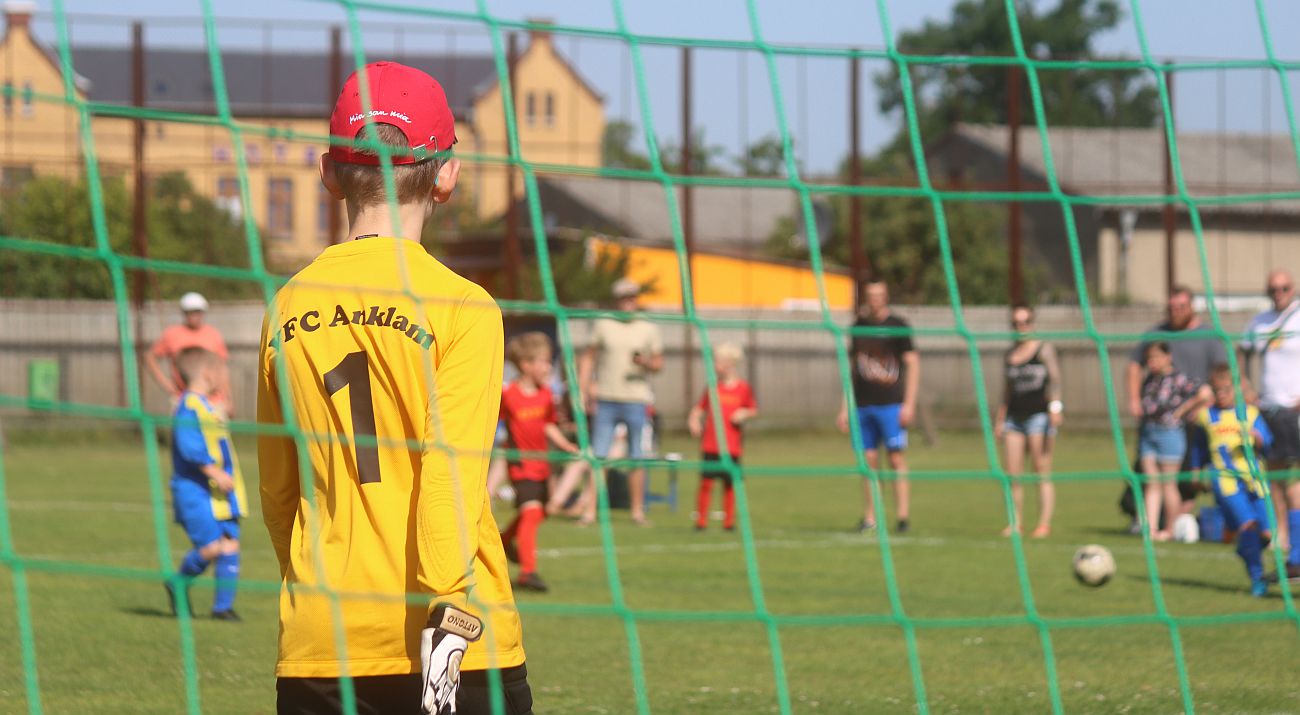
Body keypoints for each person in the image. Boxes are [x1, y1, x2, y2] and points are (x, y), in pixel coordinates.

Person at [257, 62, 532, 714]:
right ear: (446, 176)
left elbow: (277, 488)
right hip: (454, 637)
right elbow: (450, 473)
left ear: (328, 173)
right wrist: (448, 615)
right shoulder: (463, 305)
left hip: (322, 634)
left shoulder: (286, 305)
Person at [165, 346, 246, 621]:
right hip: (196, 491)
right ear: (209, 373)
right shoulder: (188, 406)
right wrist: (215, 472)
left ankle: (222, 608)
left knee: (230, 543)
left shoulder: (208, 406)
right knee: (211, 547)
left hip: (222, 492)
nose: (225, 376)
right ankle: (178, 582)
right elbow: (189, 447)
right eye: (223, 370)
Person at [577, 278, 663, 526]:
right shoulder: (603, 324)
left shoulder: (648, 327)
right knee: (599, 456)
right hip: (606, 399)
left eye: (632, 297)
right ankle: (590, 511)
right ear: (616, 300)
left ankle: (637, 511)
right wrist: (585, 390)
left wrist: (645, 363)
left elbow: (658, 363)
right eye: (624, 298)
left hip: (636, 400)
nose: (629, 302)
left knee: (637, 456)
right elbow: (588, 358)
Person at [498, 332, 579, 593]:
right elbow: (492, 422)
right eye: (543, 362)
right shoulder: (508, 393)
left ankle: (504, 539)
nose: (548, 368)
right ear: (526, 364)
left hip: (543, 465)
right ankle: (528, 573)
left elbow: (548, 425)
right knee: (532, 512)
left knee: (541, 512)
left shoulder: (546, 395)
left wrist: (566, 445)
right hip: (520, 465)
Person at [836, 280, 919, 534]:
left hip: (891, 405)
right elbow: (851, 370)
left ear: (886, 297)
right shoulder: (857, 328)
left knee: (895, 459)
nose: (875, 300)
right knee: (868, 461)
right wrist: (844, 407)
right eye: (870, 295)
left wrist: (909, 403)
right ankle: (871, 517)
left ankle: (902, 517)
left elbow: (913, 364)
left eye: (879, 295)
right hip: (862, 406)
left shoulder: (898, 326)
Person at [1241, 269, 1300, 583]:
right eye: (1273, 288)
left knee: (1293, 482)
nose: (1278, 292)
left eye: (1284, 288)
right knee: (1275, 479)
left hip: (1294, 411)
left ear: (1293, 289)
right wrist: (1246, 388)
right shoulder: (1260, 322)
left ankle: (1298, 556)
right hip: (1268, 410)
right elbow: (1240, 352)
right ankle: (1287, 543)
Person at [1196, 364, 1274, 597]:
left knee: (1267, 533)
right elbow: (1199, 448)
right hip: (1226, 481)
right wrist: (1195, 469)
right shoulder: (1206, 416)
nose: (1221, 395)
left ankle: (1245, 548)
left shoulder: (1250, 413)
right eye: (1216, 390)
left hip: (1256, 478)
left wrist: (1256, 437)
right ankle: (1257, 579)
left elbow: (1268, 444)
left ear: (1238, 389)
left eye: (1226, 390)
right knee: (1249, 525)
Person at [993, 305, 1061, 538]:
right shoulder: (1009, 355)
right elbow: (1006, 390)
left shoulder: (1043, 349)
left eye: (1025, 322)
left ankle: (1043, 524)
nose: (1021, 327)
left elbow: (1056, 381)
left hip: (1039, 418)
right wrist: (1000, 419)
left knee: (1041, 470)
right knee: (1013, 474)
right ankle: (1016, 523)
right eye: (1016, 323)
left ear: (1033, 323)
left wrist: (1055, 407)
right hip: (1014, 418)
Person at [1136, 342, 1207, 541]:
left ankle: (1169, 529)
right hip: (1148, 432)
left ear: (1168, 357)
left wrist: (1183, 411)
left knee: (1168, 482)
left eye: (1156, 357)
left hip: (1170, 433)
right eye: (1149, 359)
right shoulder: (1150, 379)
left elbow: (1205, 393)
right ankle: (1149, 529)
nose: (1152, 362)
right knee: (1151, 482)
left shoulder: (1179, 378)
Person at [687, 342, 758, 532]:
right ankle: (701, 522)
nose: (714, 366)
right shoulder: (712, 388)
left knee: (730, 485)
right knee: (706, 483)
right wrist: (693, 420)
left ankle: (729, 523)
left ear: (729, 364)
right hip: (711, 445)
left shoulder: (743, 389)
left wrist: (743, 413)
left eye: (717, 362)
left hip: (732, 446)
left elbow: (753, 409)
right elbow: (698, 409)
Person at [146, 292, 233, 415]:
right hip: (182, 398)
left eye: (198, 311)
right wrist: (166, 384)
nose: (194, 315)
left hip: (213, 401)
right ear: (184, 313)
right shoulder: (172, 334)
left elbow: (222, 369)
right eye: (190, 312)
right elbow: (150, 357)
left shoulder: (213, 334)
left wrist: (229, 399)